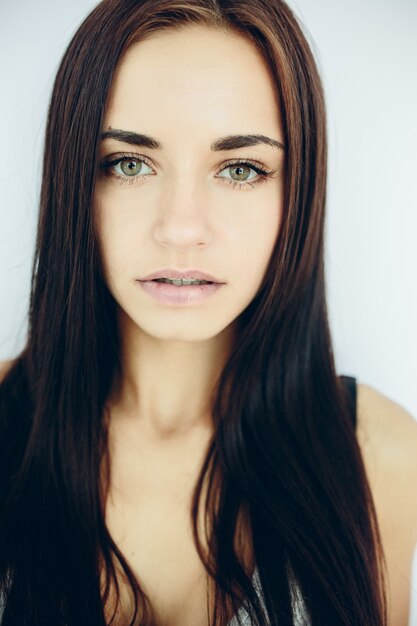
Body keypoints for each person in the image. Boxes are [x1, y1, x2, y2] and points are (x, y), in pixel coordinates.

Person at [0, 0, 416, 625]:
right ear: (75, 180)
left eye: (241, 168)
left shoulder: (383, 457)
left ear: (298, 191)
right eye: (130, 164)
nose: (181, 229)